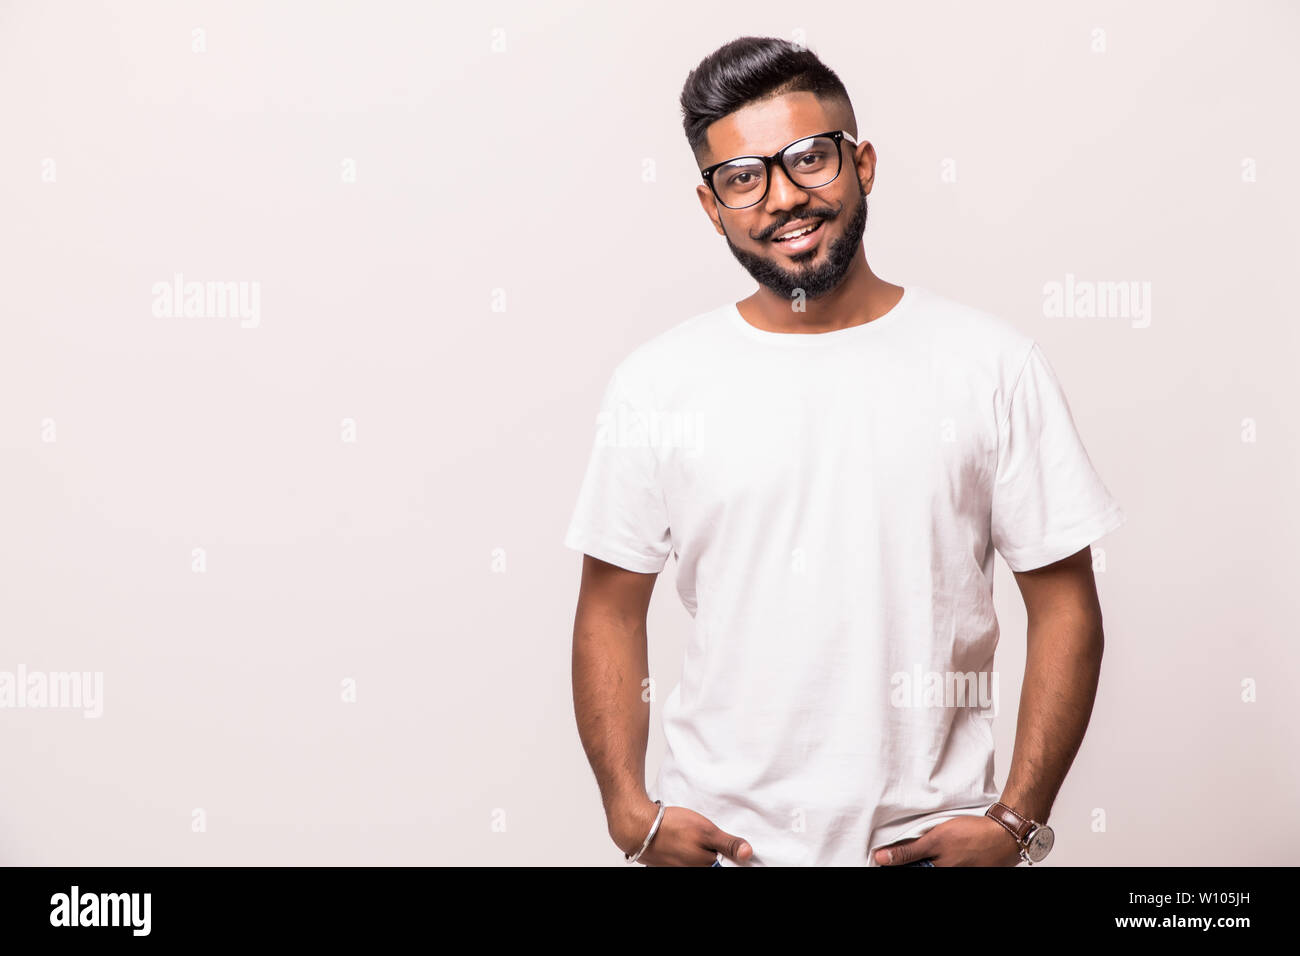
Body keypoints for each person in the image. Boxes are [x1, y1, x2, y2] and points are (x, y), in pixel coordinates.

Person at [564, 36, 1126, 867]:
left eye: (809, 160)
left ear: (861, 163)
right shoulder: (658, 384)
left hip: (924, 849)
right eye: (744, 177)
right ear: (711, 205)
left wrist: (1018, 822)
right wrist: (628, 810)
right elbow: (610, 607)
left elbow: (1066, 602)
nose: (784, 197)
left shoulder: (991, 365)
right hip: (727, 849)